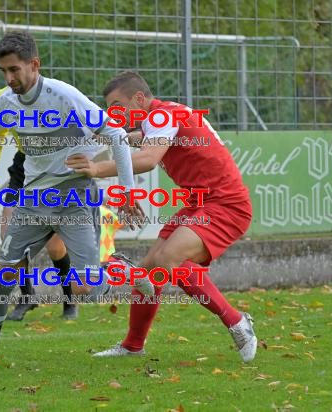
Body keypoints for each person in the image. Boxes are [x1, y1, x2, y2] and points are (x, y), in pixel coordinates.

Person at [0, 33, 153, 368]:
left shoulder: (64, 95)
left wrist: (128, 192)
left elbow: (114, 134)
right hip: (32, 201)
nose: (9, 78)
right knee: (4, 275)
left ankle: (120, 268)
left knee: (86, 289)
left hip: (74, 198)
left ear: (34, 65)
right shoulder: (6, 102)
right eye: (3, 71)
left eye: (14, 69)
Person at [66, 71, 258, 363]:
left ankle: (237, 322)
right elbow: (140, 138)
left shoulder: (163, 115)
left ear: (139, 98)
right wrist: (111, 136)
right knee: (149, 270)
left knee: (170, 260)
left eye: (117, 105)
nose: (113, 112)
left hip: (226, 204)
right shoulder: (161, 116)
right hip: (200, 203)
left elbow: (148, 158)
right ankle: (133, 345)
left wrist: (97, 167)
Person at [0, 86, 77, 321]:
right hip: (23, 167)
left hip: (52, 168)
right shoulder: (2, 95)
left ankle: (69, 301)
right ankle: (27, 297)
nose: (12, 76)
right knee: (9, 238)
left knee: (56, 246)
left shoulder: (55, 93)